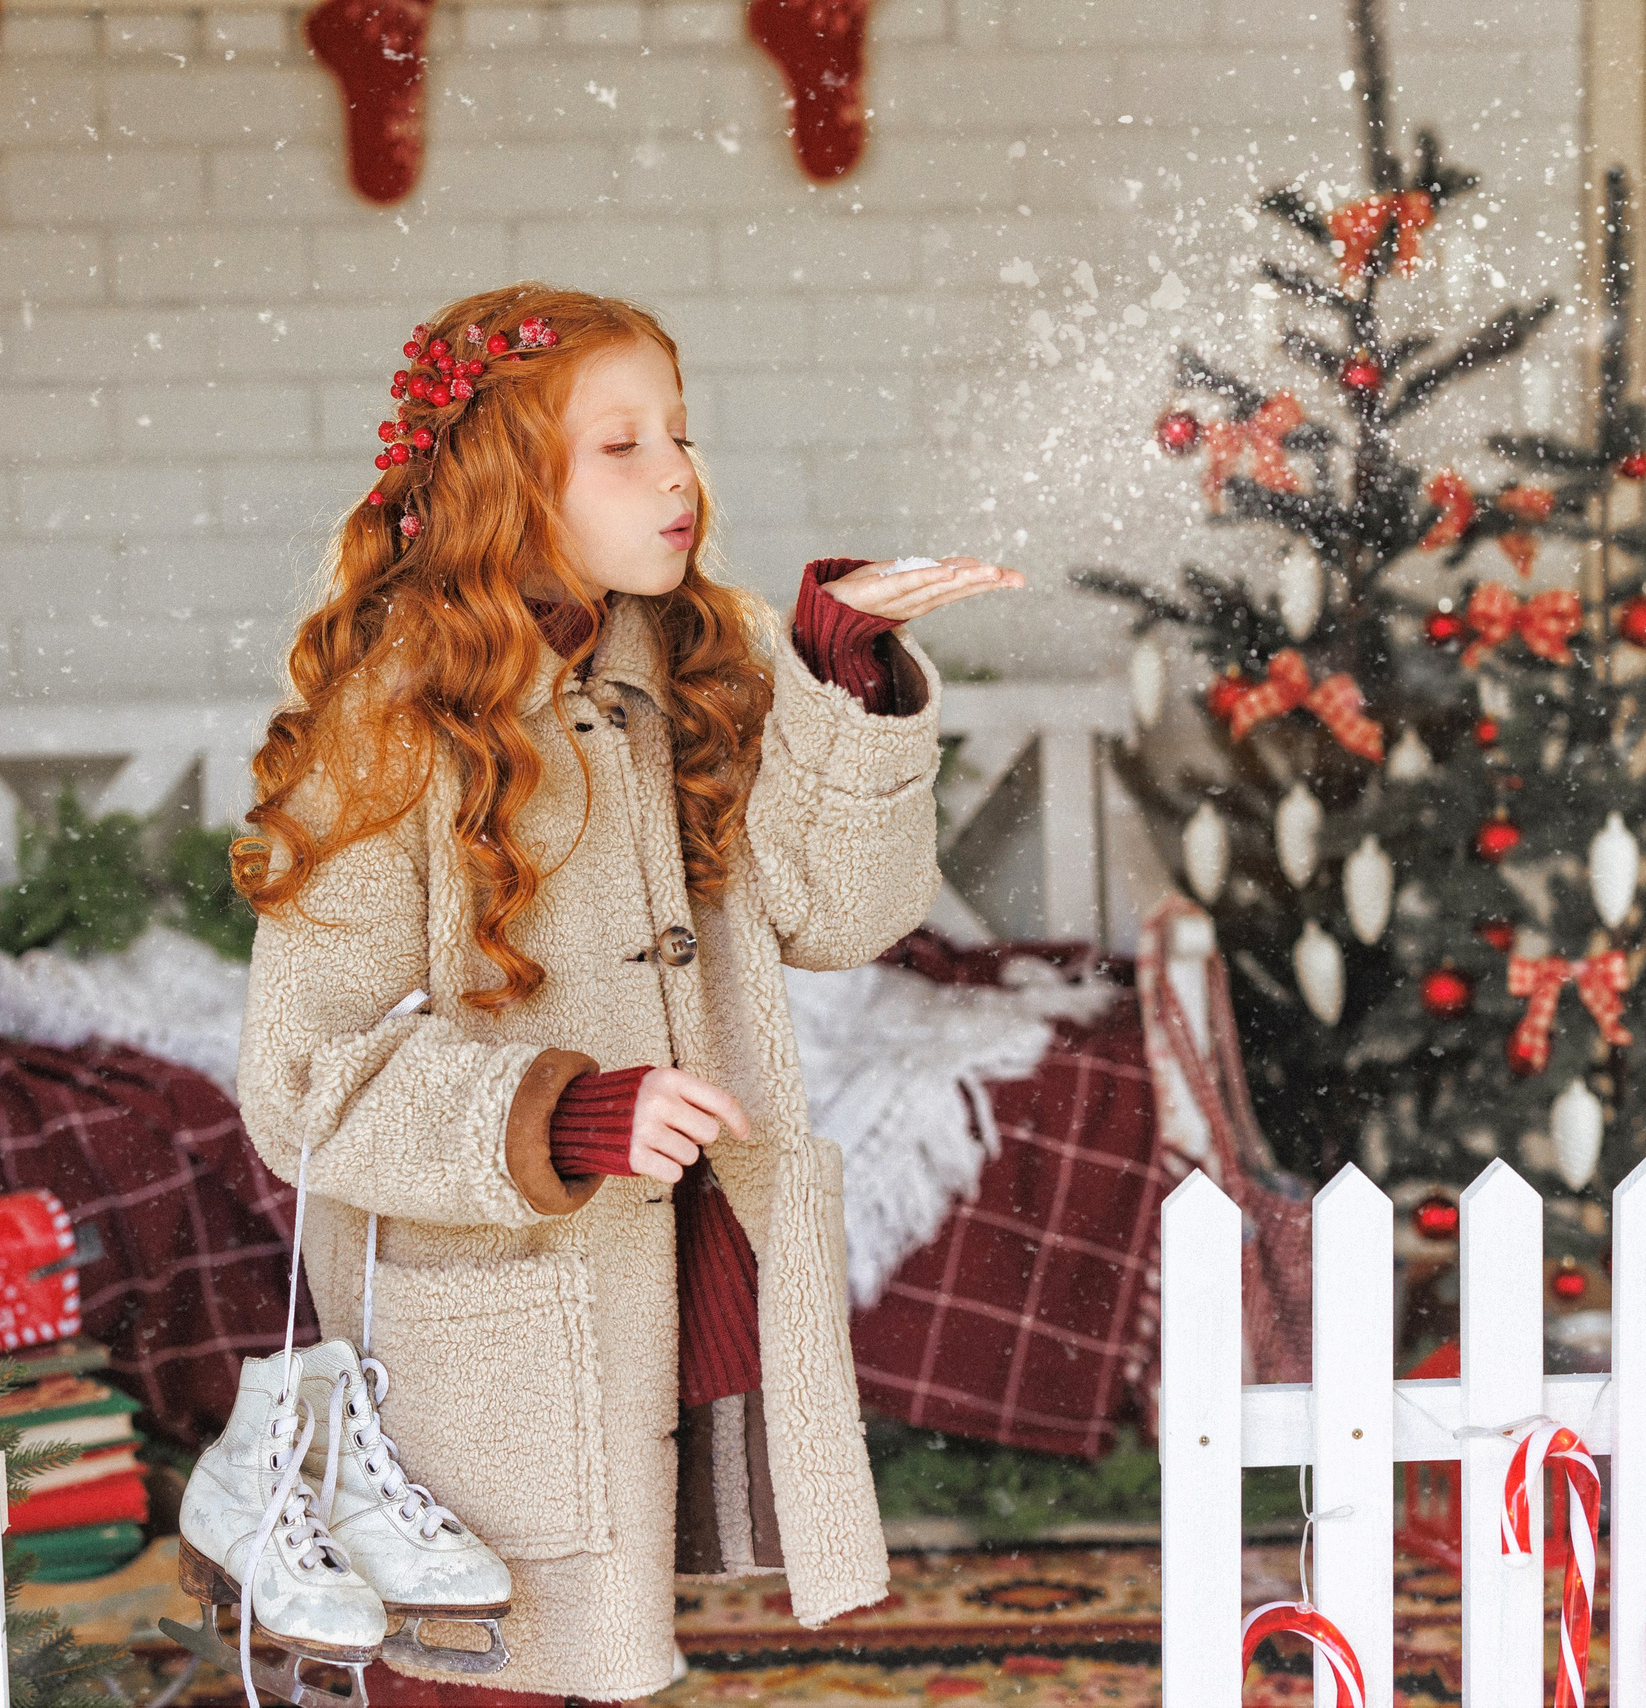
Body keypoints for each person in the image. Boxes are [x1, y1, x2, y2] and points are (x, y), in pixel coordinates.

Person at [226, 283, 1022, 1703]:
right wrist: (566, 1114)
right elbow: (301, 1082)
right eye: (622, 445)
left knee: (602, 1640)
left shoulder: (689, 672)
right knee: (480, 1655)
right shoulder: (390, 722)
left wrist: (840, 670)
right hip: (485, 1311)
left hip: (651, 1262)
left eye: (683, 435)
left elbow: (843, 911)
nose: (679, 477)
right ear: (499, 483)